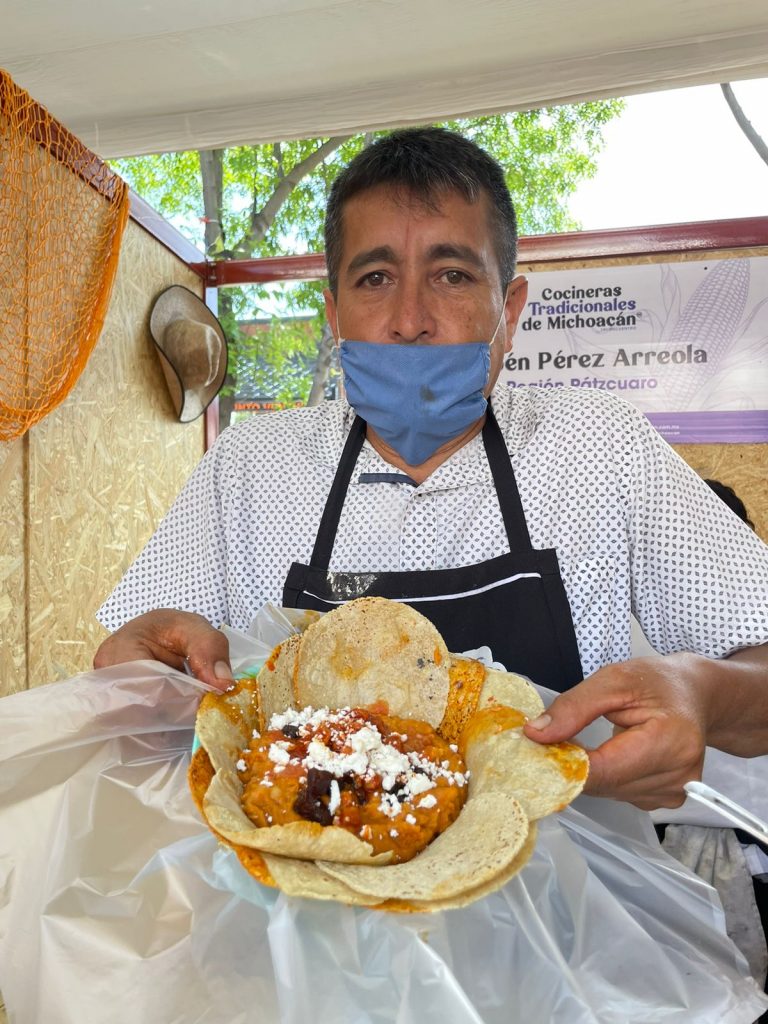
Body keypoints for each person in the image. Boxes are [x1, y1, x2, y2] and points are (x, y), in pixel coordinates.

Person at [94, 126, 768, 813]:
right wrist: (138, 678)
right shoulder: (248, 466)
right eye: (375, 278)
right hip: (290, 874)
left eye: (451, 275)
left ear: (510, 310)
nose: (410, 319)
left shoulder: (599, 446)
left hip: (565, 871)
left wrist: (702, 695)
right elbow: (143, 686)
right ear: (334, 314)